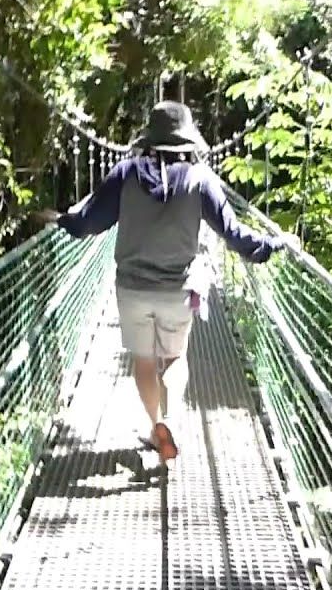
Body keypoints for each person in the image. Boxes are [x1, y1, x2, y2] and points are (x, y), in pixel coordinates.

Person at [33, 101, 292, 465]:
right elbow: (234, 235)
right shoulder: (202, 179)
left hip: (132, 288)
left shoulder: (124, 173)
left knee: (143, 362)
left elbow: (89, 223)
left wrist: (61, 219)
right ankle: (170, 421)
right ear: (188, 140)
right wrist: (272, 245)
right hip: (178, 289)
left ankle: (156, 426)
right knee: (174, 357)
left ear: (149, 139)